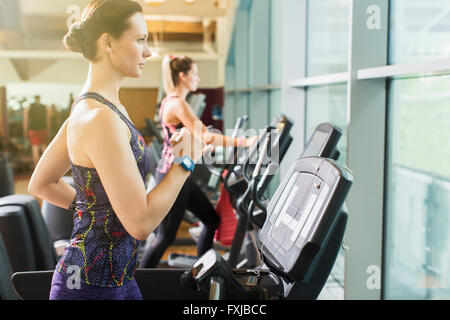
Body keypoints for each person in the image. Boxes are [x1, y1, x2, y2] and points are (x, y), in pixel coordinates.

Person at [27, 0, 204, 300]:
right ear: (107, 42)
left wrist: (97, 212)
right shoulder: (100, 118)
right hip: (87, 287)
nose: (148, 52)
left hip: (117, 278)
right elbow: (141, 224)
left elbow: (41, 183)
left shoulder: (97, 108)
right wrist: (185, 162)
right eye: (140, 40)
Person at [139, 55, 258, 268]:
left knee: (211, 220)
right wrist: (245, 142)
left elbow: (187, 139)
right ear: (183, 76)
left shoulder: (170, 101)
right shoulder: (178, 104)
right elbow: (207, 135)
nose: (198, 78)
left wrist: (203, 145)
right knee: (165, 237)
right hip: (171, 177)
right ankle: (137, 282)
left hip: (179, 174)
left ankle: (202, 272)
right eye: (195, 73)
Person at [23, 95, 50, 167]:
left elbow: (26, 121)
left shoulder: (29, 107)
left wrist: (25, 131)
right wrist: (48, 130)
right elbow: (48, 120)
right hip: (42, 129)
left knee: (35, 149)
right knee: (44, 149)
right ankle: (46, 166)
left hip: (33, 130)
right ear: (40, 99)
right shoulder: (45, 107)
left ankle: (36, 168)